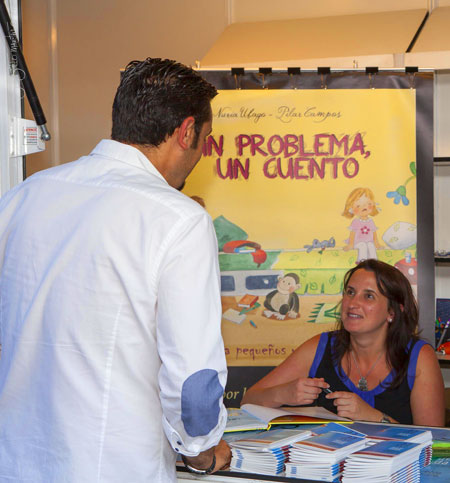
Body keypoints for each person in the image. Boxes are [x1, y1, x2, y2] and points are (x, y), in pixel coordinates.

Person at [0, 58, 231, 482]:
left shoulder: (22, 197)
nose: (202, 153)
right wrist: (201, 450)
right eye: (205, 140)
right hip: (111, 466)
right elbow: (193, 381)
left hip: (15, 462)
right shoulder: (178, 220)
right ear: (186, 132)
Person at [242, 259, 445, 426]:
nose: (353, 303)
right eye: (350, 292)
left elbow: (435, 445)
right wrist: (283, 394)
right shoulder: (320, 346)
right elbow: (248, 401)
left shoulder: (419, 357)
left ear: (392, 312)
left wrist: (375, 418)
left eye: (368, 296)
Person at [342, 187, 384, 262]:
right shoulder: (355, 222)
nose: (364, 207)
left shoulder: (371, 221)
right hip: (358, 243)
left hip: (369, 242)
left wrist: (377, 244)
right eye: (358, 206)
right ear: (352, 209)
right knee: (363, 245)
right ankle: (361, 261)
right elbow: (352, 234)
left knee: (371, 245)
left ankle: (374, 261)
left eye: (368, 204)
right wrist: (350, 245)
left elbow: (374, 234)